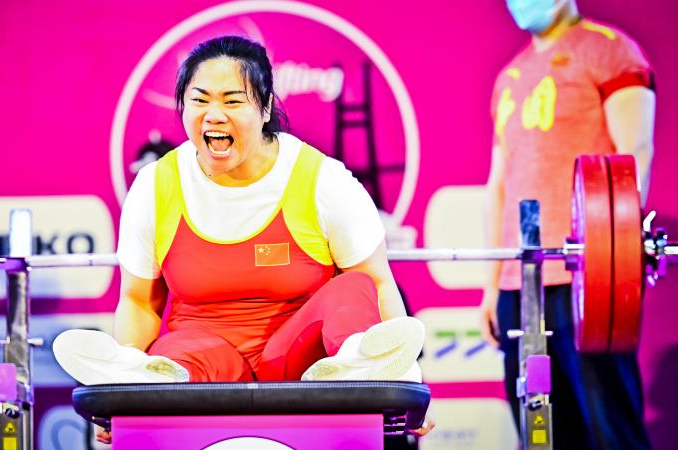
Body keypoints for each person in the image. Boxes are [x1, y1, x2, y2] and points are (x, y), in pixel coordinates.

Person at [53, 35, 433, 443]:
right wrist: (119, 405)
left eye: (233, 101)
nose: (214, 115)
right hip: (203, 361)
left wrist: (409, 384)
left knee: (355, 287)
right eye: (199, 101)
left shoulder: (323, 180)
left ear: (266, 107)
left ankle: (367, 366)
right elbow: (139, 300)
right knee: (174, 356)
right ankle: (133, 377)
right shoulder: (155, 186)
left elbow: (378, 284)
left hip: (303, 363)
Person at [479, 1, 655, 449]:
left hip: (587, 276)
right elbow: (498, 184)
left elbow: (635, 153)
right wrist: (491, 286)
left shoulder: (610, 51)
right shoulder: (509, 77)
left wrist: (613, 261)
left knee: (608, 425)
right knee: (539, 431)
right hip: (520, 280)